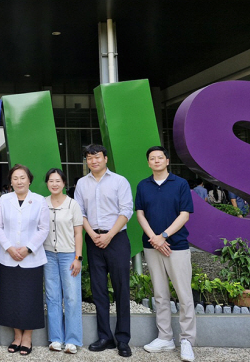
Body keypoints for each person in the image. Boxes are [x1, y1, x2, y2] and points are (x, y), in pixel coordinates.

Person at [135, 146, 196, 362]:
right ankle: (165, 337)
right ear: (148, 162)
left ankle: (187, 340)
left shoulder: (180, 184)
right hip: (152, 246)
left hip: (176, 245)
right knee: (160, 294)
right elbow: (140, 214)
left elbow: (185, 215)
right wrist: (154, 238)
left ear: (167, 161)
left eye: (160, 157)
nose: (156, 160)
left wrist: (164, 235)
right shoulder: (143, 185)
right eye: (152, 158)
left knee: (184, 294)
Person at [74, 144, 133, 358]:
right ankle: (105, 336)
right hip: (94, 240)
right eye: (89, 158)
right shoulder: (81, 183)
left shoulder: (119, 181)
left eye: (97, 157)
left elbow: (126, 210)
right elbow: (79, 212)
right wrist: (92, 235)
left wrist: (109, 235)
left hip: (116, 239)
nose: (93, 161)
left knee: (121, 289)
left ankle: (123, 339)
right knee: (99, 291)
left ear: (105, 159)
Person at [0, 164, 49, 356]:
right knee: (11, 298)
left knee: (30, 298)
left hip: (31, 258)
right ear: (11, 181)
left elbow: (44, 229)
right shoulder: (4, 200)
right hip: (8, 257)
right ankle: (17, 335)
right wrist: (9, 247)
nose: (19, 181)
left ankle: (28, 337)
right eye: (15, 178)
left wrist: (27, 249)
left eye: (22, 177)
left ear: (29, 180)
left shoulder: (39, 200)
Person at [43, 168, 83, 354]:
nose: (54, 184)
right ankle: (56, 339)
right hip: (48, 255)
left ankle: (72, 340)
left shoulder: (72, 204)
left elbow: (78, 233)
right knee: (52, 297)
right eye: (51, 181)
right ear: (47, 183)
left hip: (69, 255)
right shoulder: (42, 203)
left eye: (58, 181)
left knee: (72, 297)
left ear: (64, 183)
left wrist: (78, 257)